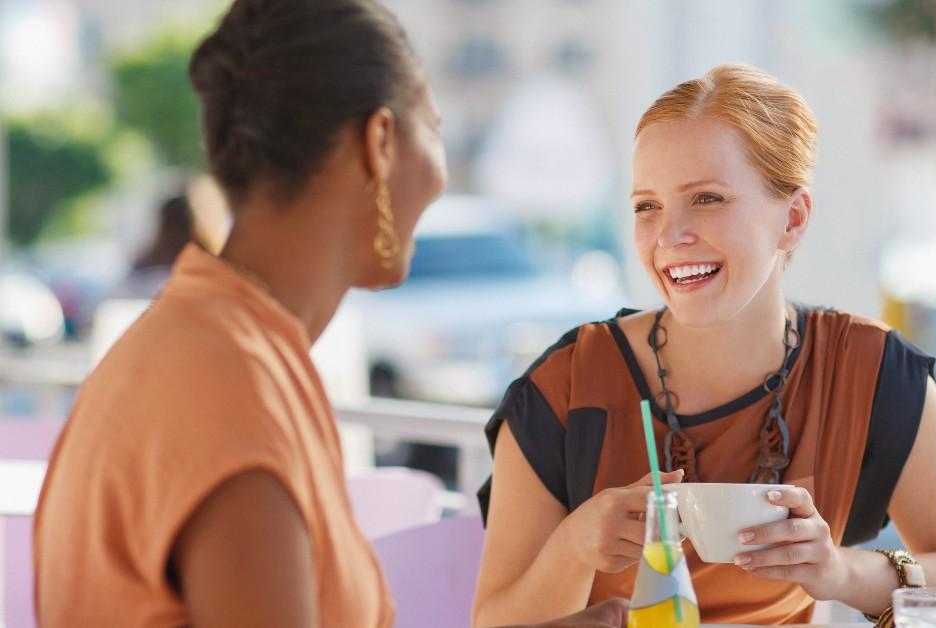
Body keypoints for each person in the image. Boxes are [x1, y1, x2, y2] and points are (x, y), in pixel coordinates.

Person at [34, 1, 625, 626]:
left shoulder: (222, 343)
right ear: (379, 143)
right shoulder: (230, 385)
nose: (442, 174)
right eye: (434, 127)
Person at [473, 64, 936, 626]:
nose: (669, 235)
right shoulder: (565, 386)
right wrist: (575, 546)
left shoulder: (867, 371)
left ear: (794, 218)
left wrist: (839, 573)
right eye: (646, 205)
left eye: (706, 198)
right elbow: (492, 620)